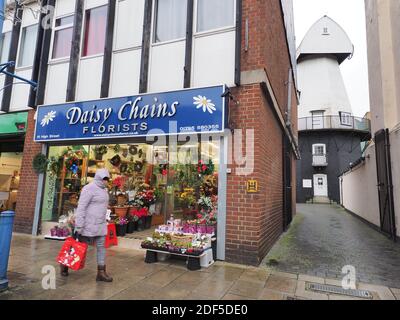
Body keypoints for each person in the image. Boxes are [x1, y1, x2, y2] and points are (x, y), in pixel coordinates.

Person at [60, 169, 113, 282]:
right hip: (87, 224)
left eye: (107, 179)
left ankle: (101, 272)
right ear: (99, 178)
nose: (106, 181)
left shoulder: (104, 190)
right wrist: (79, 225)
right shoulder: (89, 188)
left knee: (101, 247)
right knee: (77, 246)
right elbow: (81, 207)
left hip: (100, 224)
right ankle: (64, 264)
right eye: (104, 179)